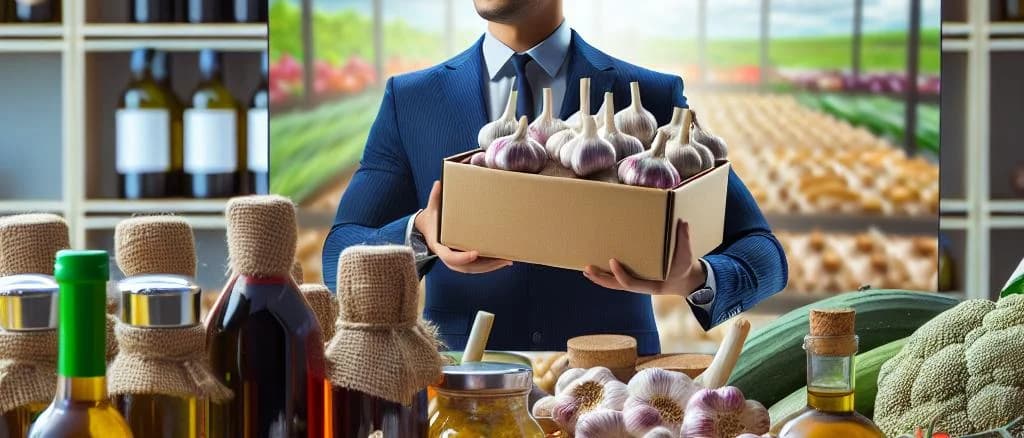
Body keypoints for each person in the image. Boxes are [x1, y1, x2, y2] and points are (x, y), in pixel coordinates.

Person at [322, 0, 787, 356]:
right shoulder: (413, 99)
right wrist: (419, 234)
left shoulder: (650, 97)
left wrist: (694, 279)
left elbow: (763, 254)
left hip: (615, 385)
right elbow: (339, 253)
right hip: (463, 382)